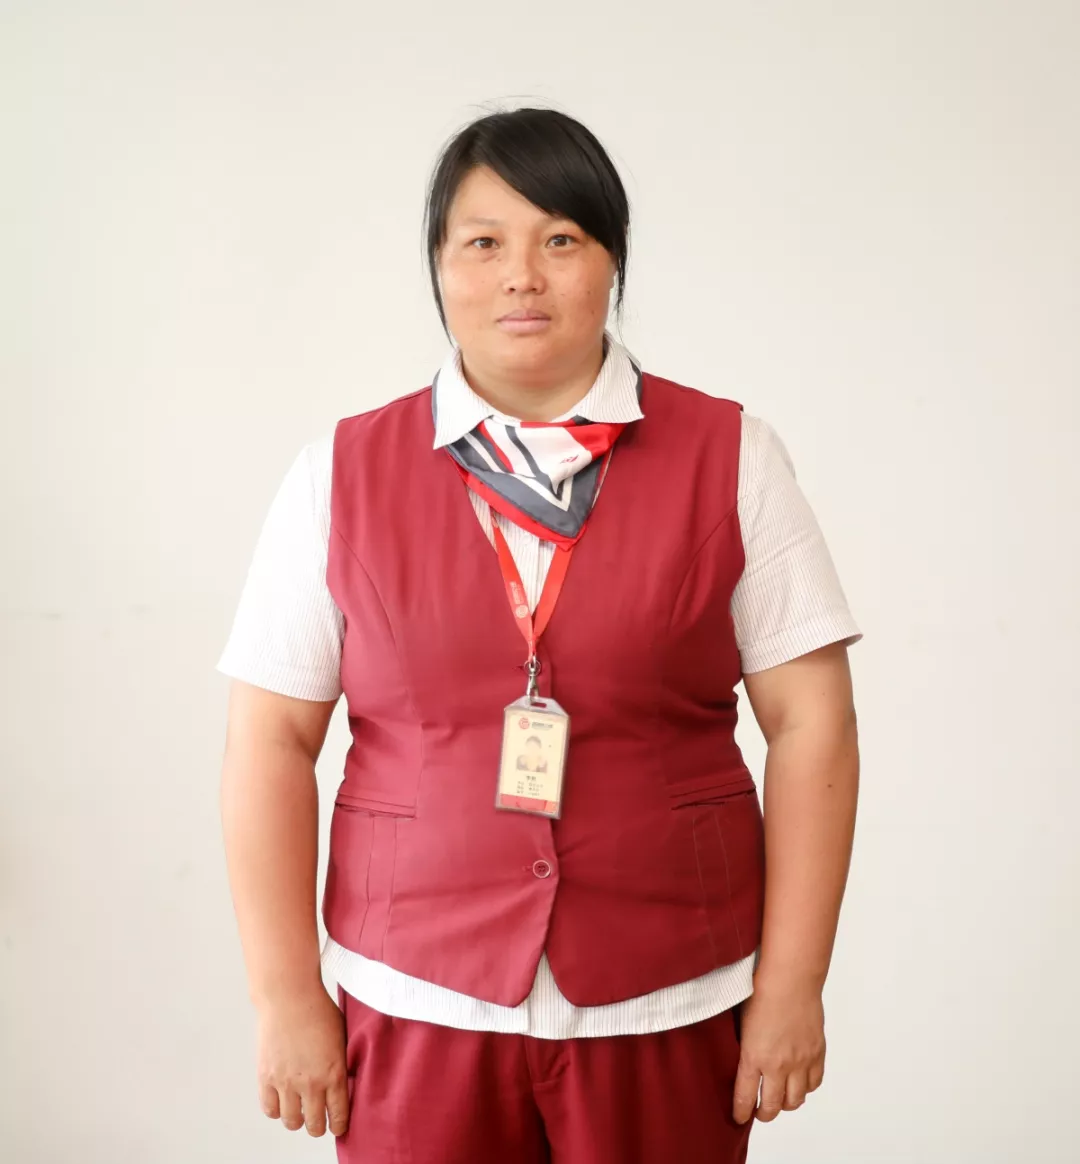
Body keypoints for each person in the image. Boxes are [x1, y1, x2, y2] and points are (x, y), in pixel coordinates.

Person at [218, 106, 861, 1164]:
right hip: (414, 995)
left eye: (561, 239)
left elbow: (814, 724)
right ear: (439, 268)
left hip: (668, 997)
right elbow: (268, 741)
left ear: (613, 261)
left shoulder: (733, 454)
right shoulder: (339, 472)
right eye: (484, 243)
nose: (522, 275)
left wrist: (795, 984)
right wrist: (284, 996)